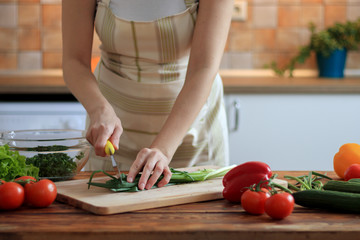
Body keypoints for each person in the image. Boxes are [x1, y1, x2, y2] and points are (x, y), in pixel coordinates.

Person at [62, 0, 233, 191]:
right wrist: (99, 109)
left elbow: (204, 68)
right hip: (114, 133)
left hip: (190, 132)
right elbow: (73, 61)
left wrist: (163, 149)